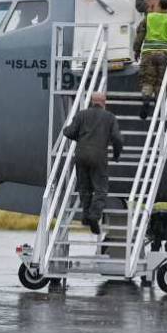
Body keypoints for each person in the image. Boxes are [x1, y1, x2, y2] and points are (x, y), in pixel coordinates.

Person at [62, 91, 123, 234]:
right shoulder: (110, 117)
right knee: (100, 188)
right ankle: (94, 216)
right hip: (99, 156)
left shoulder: (82, 115)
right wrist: (116, 154)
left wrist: (71, 132)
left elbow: (69, 132)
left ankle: (85, 215)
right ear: (104, 103)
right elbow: (117, 138)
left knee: (84, 187)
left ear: (91, 101)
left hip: (81, 155)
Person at [132, 0, 167, 120]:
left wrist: (136, 50)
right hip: (163, 55)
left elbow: (139, 36)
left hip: (148, 54)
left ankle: (146, 100)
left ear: (158, 5)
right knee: (160, 81)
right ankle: (158, 106)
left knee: (147, 80)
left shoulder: (149, 18)